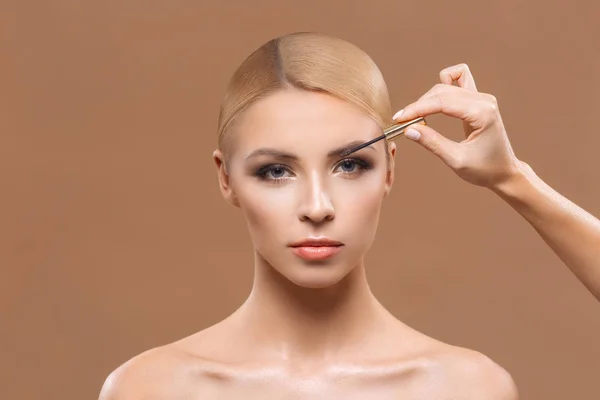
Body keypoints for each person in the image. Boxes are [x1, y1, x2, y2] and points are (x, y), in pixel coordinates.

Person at [98, 31, 599, 399]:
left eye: (350, 164)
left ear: (388, 171)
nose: (317, 207)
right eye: (276, 171)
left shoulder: (467, 388)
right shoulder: (147, 388)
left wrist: (510, 176)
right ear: (226, 178)